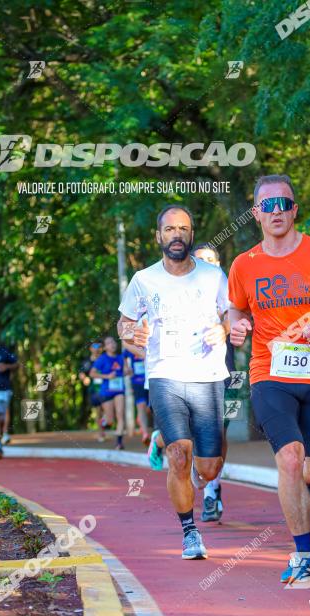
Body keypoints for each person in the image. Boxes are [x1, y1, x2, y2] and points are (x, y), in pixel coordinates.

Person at [228, 174, 310, 585]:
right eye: (267, 206)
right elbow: (235, 309)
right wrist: (237, 328)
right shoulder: (244, 264)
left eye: (283, 204)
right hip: (269, 372)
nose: (276, 212)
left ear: (295, 209)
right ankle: (303, 553)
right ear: (255, 214)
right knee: (289, 457)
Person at [118, 205, 229, 560]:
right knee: (179, 455)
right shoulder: (143, 280)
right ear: (159, 236)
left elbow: (233, 315)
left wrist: (223, 328)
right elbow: (124, 328)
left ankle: (171, 444)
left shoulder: (213, 276)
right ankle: (190, 531)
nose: (176, 234)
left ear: (191, 234)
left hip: (208, 376)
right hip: (165, 374)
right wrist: (133, 334)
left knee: (209, 467)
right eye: (169, 229)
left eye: (183, 228)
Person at [193, 242, 235, 523]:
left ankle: (213, 486)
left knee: (219, 433)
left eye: (211, 260)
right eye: (200, 261)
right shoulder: (180, 292)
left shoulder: (230, 293)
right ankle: (207, 488)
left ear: (219, 265)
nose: (206, 264)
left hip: (227, 374)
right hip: (187, 374)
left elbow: (243, 318)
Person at [90, 336, 126, 450]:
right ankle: (104, 422)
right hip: (106, 392)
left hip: (119, 390)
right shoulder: (102, 359)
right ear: (105, 347)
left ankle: (119, 443)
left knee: (120, 414)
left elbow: (126, 370)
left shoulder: (121, 357)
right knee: (110, 420)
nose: (113, 344)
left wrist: (128, 371)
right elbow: (92, 373)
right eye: (109, 343)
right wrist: (107, 376)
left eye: (114, 341)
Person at [0, 329, 18, 459]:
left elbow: (17, 364)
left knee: (1, 418)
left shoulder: (4, 352)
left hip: (4, 389)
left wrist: (6, 367)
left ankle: (2, 435)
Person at [123, 344, 150, 445]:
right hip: (137, 381)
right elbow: (123, 356)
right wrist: (126, 368)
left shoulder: (149, 343)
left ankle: (140, 418)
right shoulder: (131, 346)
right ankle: (145, 434)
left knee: (149, 407)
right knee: (141, 405)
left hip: (150, 380)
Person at [79, 340, 106, 441]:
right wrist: (84, 378)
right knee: (98, 411)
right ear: (90, 348)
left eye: (99, 346)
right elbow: (81, 372)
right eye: (95, 346)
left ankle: (105, 423)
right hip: (94, 389)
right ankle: (100, 433)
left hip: (106, 388)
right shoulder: (87, 361)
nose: (97, 348)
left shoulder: (105, 359)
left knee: (107, 410)